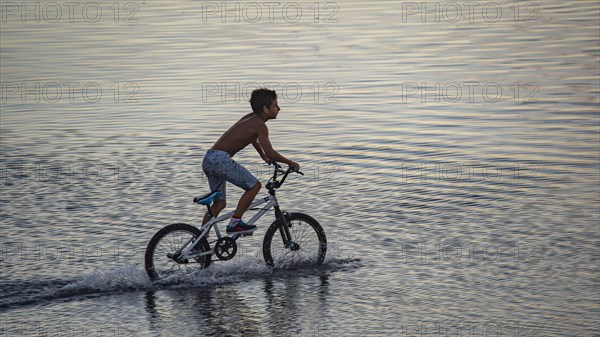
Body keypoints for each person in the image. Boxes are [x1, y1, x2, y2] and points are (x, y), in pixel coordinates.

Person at [201, 88, 299, 235]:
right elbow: (270, 151)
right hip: (220, 160)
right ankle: (235, 223)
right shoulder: (261, 125)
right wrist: (290, 162)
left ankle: (200, 240)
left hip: (210, 159)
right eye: (275, 106)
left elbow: (252, 138)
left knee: (219, 203)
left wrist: (262, 156)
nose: (279, 108)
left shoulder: (251, 118)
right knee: (254, 186)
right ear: (265, 109)